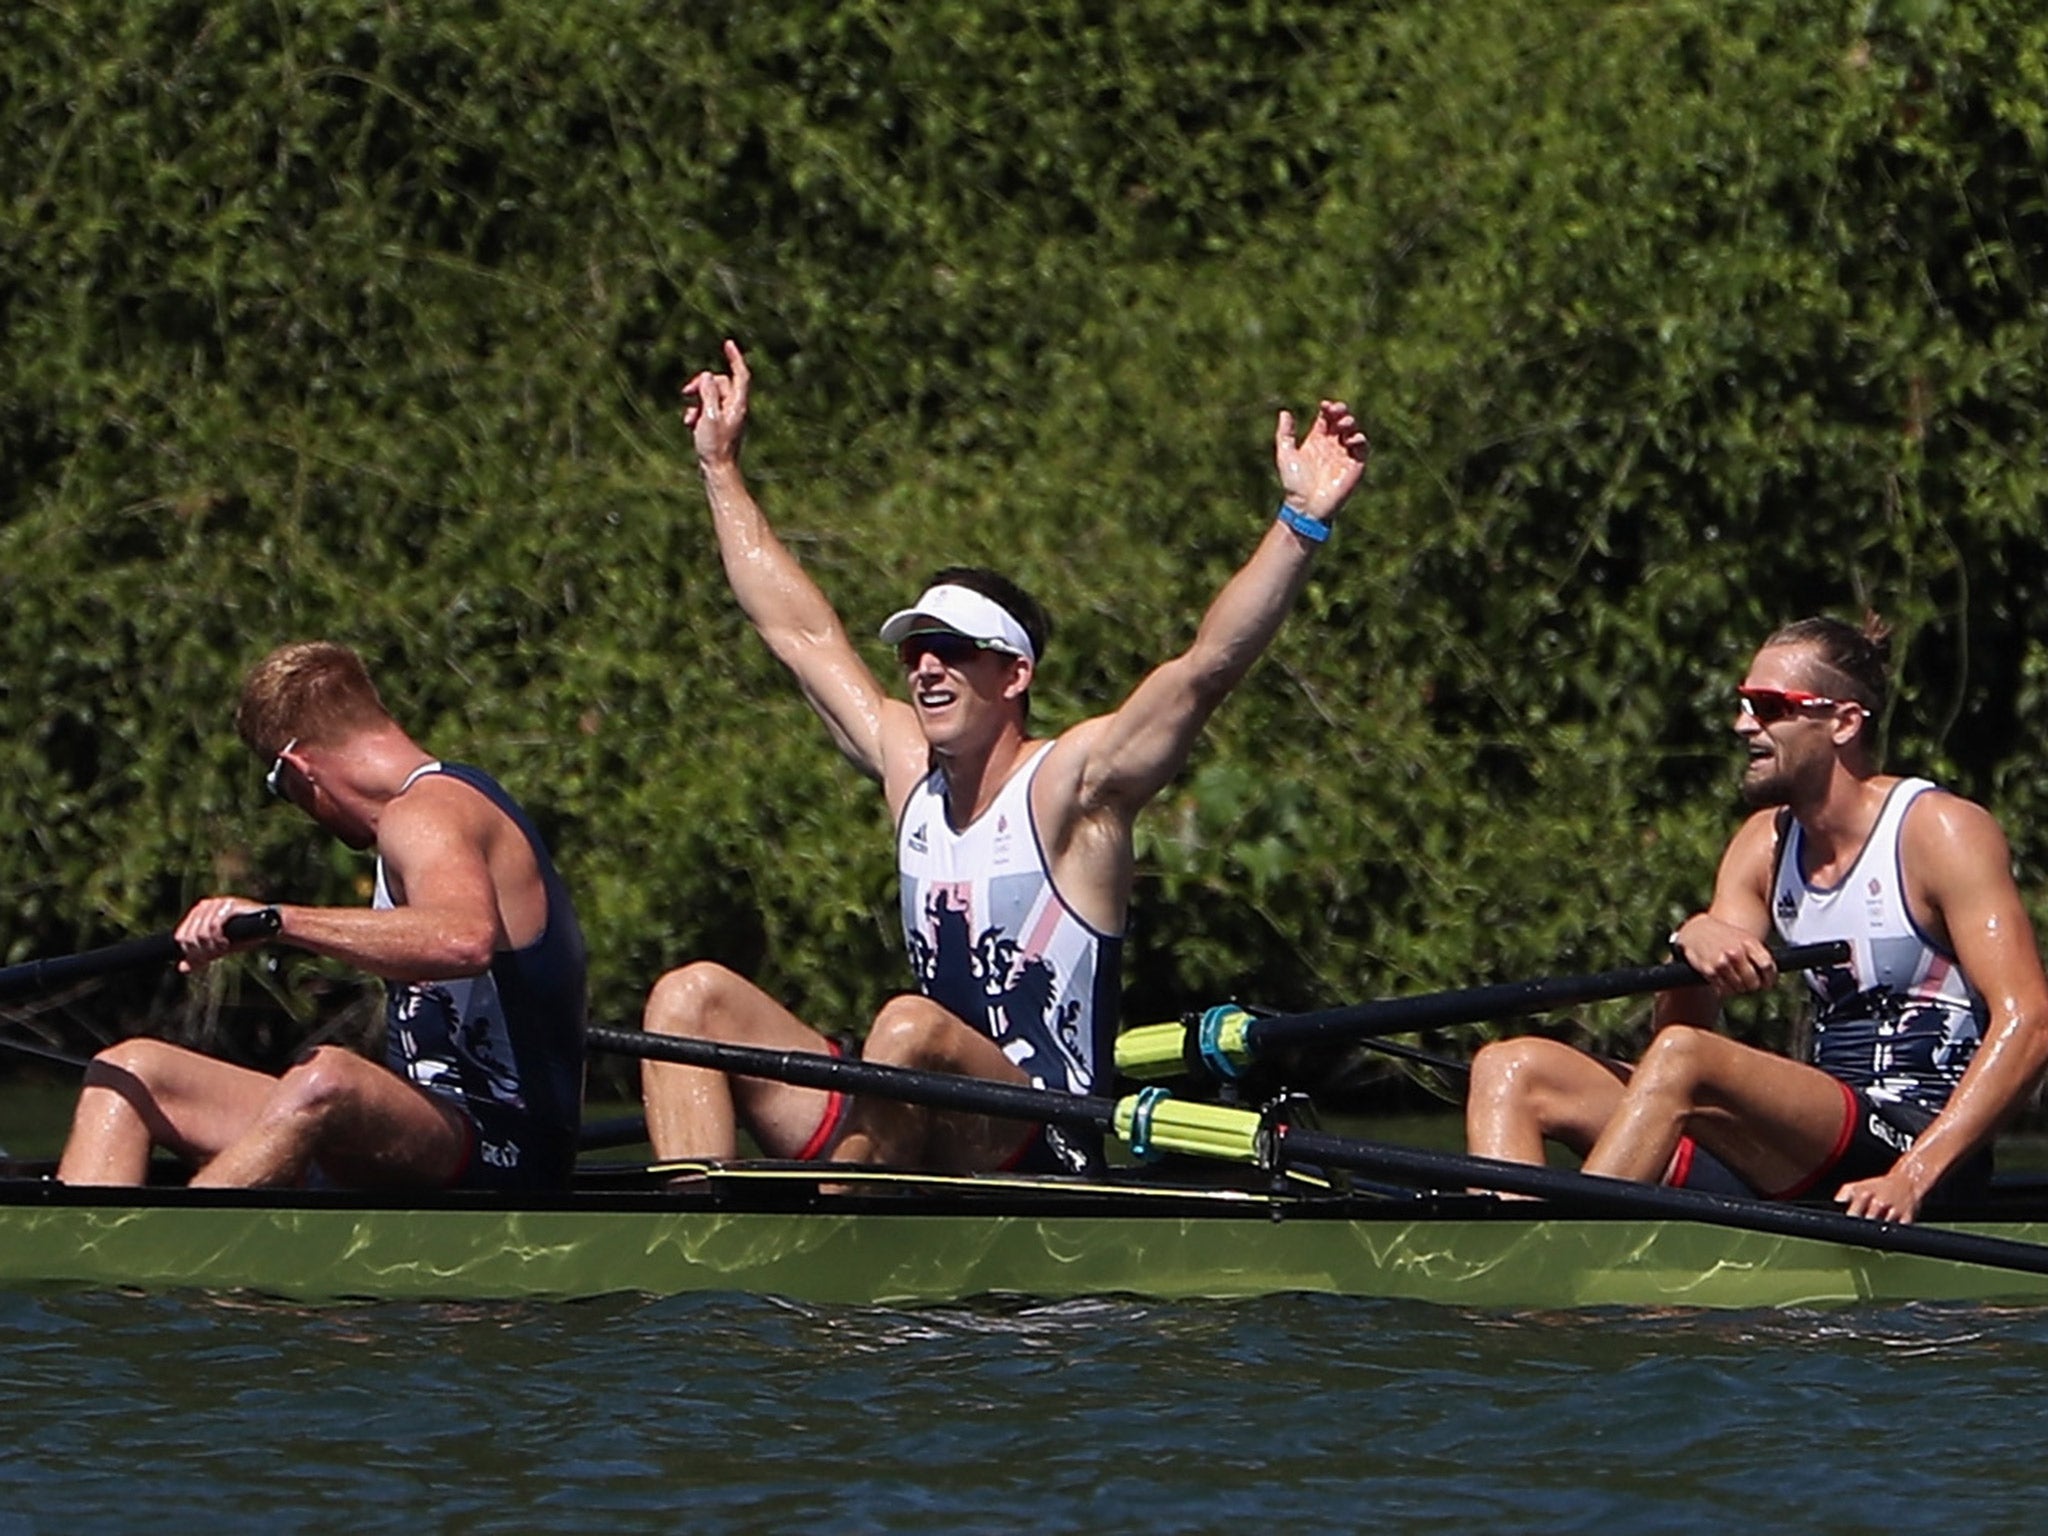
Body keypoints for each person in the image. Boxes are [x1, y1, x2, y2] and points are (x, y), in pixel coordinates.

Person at [640, 339, 1369, 1174]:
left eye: (953, 649)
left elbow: (1205, 668)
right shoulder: (906, 767)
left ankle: (838, 1242)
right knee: (687, 997)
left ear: (1015, 674)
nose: (925, 666)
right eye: (916, 648)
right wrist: (721, 469)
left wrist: (1300, 522)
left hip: (1038, 1133)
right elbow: (797, 631)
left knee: (906, 1027)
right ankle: (693, 1243)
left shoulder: (1075, 788)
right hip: (912, 1101)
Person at [1466, 616, 2048, 1223]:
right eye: (1744, 703)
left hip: (1915, 1146)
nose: (1745, 724)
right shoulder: (1763, 846)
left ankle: (1567, 1254)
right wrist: (1690, 948)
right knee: (1512, 1068)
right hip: (1818, 1146)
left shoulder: (1940, 830)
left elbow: (2030, 1022)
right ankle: (1513, 1270)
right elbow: (1677, 1032)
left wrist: (1913, 1176)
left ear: (1844, 723)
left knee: (1689, 1058)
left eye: (1770, 706)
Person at [57, 641, 588, 1190]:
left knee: (328, 1079)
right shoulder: (413, 822)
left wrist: (279, 921)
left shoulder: (430, 811)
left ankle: (170, 1260)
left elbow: (463, 941)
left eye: (279, 788)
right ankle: (90, 1266)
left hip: (503, 1146)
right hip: (418, 1135)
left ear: (297, 767)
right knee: (130, 1073)